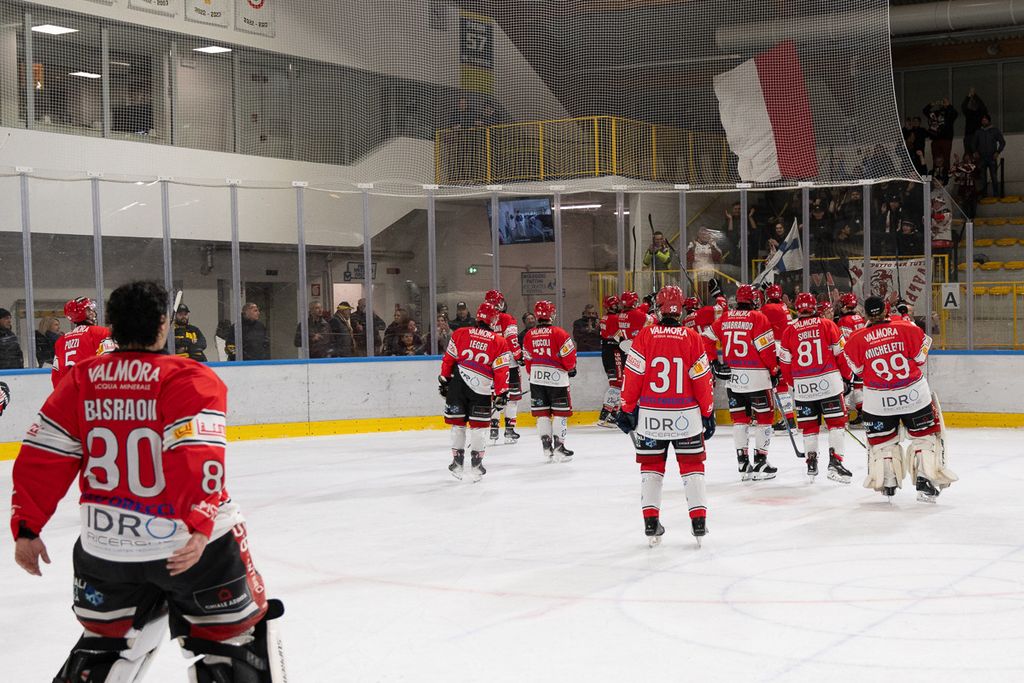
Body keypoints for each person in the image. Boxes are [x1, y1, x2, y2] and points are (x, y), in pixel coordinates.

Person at [10, 281, 286, 681]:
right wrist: (199, 525)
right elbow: (195, 457)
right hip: (193, 550)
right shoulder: (190, 378)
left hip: (106, 548)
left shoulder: (82, 379)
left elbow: (43, 455)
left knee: (106, 647)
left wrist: (26, 527)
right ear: (163, 324)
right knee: (236, 645)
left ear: (112, 327)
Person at [617, 286, 715, 546]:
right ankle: (699, 522)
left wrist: (626, 408)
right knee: (693, 468)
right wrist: (707, 412)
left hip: (651, 416)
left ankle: (651, 522)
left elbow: (633, 376)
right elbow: (702, 378)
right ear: (680, 309)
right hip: (687, 417)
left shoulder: (645, 335)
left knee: (651, 468)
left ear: (658, 308)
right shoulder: (692, 337)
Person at [844, 296, 957, 502]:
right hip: (913, 395)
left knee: (883, 443)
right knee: (925, 438)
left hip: (878, 400)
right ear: (886, 310)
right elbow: (921, 357)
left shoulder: (855, 338)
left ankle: (888, 481)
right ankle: (924, 480)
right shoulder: (905, 327)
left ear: (865, 314)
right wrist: (907, 322)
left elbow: (858, 371)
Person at [703, 284, 780, 481]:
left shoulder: (725, 318)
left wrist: (714, 362)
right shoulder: (758, 317)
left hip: (733, 379)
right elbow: (766, 350)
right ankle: (761, 462)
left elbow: (706, 338)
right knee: (764, 418)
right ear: (754, 299)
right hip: (758, 378)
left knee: (739, 421)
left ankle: (743, 462)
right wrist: (774, 370)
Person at [778, 293, 855, 484]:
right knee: (836, 425)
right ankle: (835, 463)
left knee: (809, 428)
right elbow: (841, 354)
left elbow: (785, 364)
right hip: (829, 384)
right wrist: (847, 377)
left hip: (803, 387)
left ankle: (811, 462)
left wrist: (794, 384)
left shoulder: (789, 330)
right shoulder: (828, 325)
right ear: (814, 307)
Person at [438, 301, 511, 482]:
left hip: (457, 386)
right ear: (494, 320)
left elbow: (448, 359)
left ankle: (457, 462)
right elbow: (501, 371)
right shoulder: (499, 341)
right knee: (478, 427)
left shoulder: (460, 333)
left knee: (458, 425)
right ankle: (477, 464)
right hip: (481, 390)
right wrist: (502, 393)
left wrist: (445, 380)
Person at [522, 300, 577, 462]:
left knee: (542, 414)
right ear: (551, 314)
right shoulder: (560, 333)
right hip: (557, 380)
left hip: (537, 379)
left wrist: (533, 374)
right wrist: (570, 368)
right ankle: (559, 448)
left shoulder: (529, 335)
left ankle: (546, 448)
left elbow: (527, 359)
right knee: (560, 414)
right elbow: (569, 357)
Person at [484, 289, 524, 444]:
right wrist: (519, 357)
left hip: (490, 365)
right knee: (512, 398)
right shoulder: (507, 318)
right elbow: (512, 339)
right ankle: (509, 430)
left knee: (494, 396)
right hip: (509, 364)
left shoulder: (483, 320)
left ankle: (493, 429)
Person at [52, 297, 115, 388]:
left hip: (69, 391)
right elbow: (112, 365)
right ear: (81, 314)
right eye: (88, 310)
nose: (92, 312)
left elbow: (56, 375)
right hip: (91, 391)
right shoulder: (101, 333)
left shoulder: (61, 341)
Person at [761, 284, 796, 430]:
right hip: (786, 349)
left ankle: (788, 419)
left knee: (780, 387)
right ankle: (788, 418)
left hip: (776, 350)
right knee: (782, 385)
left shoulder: (768, 308)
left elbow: (757, 318)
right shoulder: (783, 306)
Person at [835, 292, 866, 424]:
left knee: (846, 387)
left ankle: (844, 415)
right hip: (862, 356)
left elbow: (844, 342)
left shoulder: (844, 321)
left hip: (850, 358)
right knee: (858, 387)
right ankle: (862, 413)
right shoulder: (859, 318)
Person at [597, 295, 623, 427]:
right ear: (612, 305)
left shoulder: (605, 318)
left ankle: (613, 414)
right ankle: (605, 415)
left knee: (616, 383)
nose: (619, 306)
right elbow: (620, 336)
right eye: (616, 304)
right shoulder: (614, 318)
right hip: (614, 352)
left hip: (607, 352)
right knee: (617, 384)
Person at [973, 114, 1005, 198]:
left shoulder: (995, 130)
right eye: (982, 120)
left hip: (992, 157)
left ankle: (996, 194)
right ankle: (984, 195)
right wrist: (975, 152)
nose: (983, 121)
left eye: (985, 120)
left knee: (994, 176)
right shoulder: (978, 132)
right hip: (981, 158)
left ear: (989, 120)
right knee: (983, 177)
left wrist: (997, 152)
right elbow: (973, 143)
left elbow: (1002, 142)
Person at [923, 97, 957, 170]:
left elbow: (955, 114)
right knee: (935, 159)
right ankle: (936, 175)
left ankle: (945, 175)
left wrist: (948, 105)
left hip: (946, 139)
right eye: (941, 102)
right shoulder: (934, 113)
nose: (942, 103)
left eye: (944, 102)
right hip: (935, 139)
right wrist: (931, 104)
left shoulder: (949, 112)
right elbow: (925, 111)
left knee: (946, 159)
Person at [961, 87, 989, 156]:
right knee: (968, 156)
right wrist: (969, 96)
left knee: (979, 156)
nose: (973, 103)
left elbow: (983, 107)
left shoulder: (980, 112)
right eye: (972, 102)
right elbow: (963, 106)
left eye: (974, 102)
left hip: (978, 136)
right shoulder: (969, 113)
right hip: (969, 136)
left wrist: (974, 96)